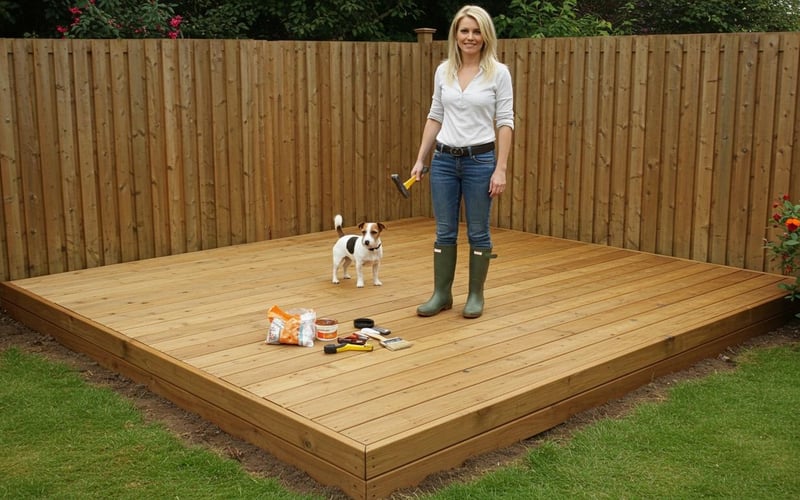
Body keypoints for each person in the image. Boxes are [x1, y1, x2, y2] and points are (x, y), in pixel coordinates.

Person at [411, 5, 514, 319]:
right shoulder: (444, 71)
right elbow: (435, 116)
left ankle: (475, 295)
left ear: (485, 36)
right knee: (444, 232)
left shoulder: (499, 73)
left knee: (478, 233)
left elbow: (505, 122)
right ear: (456, 34)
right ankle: (441, 294)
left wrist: (501, 168)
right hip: (443, 161)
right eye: (464, 30)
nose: (470, 37)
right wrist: (420, 159)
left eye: (476, 31)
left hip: (480, 162)